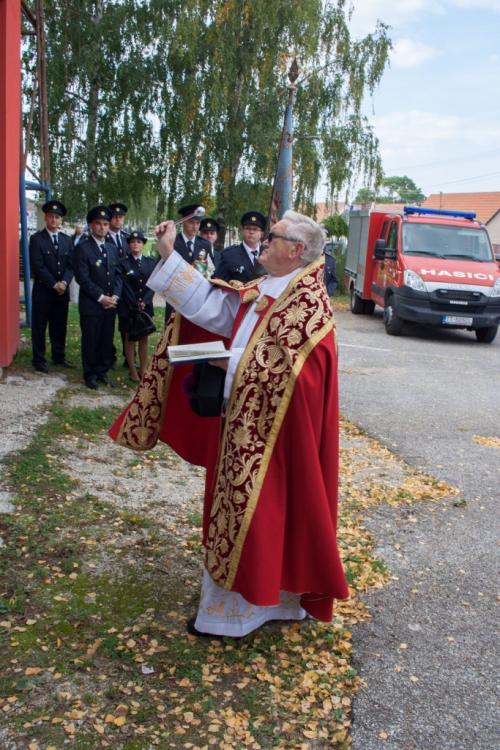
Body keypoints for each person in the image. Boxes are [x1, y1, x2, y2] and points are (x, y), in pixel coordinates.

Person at [113, 209, 349, 637]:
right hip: (243, 422)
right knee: (243, 518)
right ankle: (244, 606)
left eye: (273, 236)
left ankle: (241, 613)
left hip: (271, 439)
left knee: (262, 518)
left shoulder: (309, 303)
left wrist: (228, 362)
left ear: (295, 250)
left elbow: (299, 373)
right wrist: (169, 257)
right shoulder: (272, 286)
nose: (264, 241)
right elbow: (218, 310)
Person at [73, 205, 122, 389]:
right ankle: (90, 373)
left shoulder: (111, 248)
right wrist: (101, 297)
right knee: (91, 339)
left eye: (105, 224)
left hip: (110, 304)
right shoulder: (83, 249)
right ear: (91, 226)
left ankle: (102, 371)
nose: (102, 227)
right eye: (98, 224)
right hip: (92, 304)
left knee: (106, 339)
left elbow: (118, 274)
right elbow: (82, 278)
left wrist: (116, 295)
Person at [30, 199, 74, 373]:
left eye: (57, 217)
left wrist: (64, 282)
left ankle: (58, 356)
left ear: (61, 220)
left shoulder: (66, 240)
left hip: (62, 291)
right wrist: (54, 283)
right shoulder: (37, 239)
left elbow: (71, 265)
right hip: (43, 290)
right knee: (40, 325)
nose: (54, 220)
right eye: (51, 216)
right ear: (45, 218)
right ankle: (38, 359)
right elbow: (37, 265)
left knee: (59, 324)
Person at [118, 230, 158, 382]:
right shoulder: (123, 263)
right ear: (129, 245)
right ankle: (133, 370)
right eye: (133, 242)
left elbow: (153, 284)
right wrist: (134, 303)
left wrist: (145, 301)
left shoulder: (150, 262)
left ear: (143, 244)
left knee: (144, 338)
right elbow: (124, 286)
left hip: (145, 306)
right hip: (128, 307)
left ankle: (143, 369)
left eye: (139, 242)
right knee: (129, 338)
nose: (136, 244)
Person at [213, 210, 266, 283]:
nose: (251, 232)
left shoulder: (268, 254)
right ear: (242, 231)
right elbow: (220, 283)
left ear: (262, 234)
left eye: (255, 229)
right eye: (248, 228)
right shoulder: (228, 255)